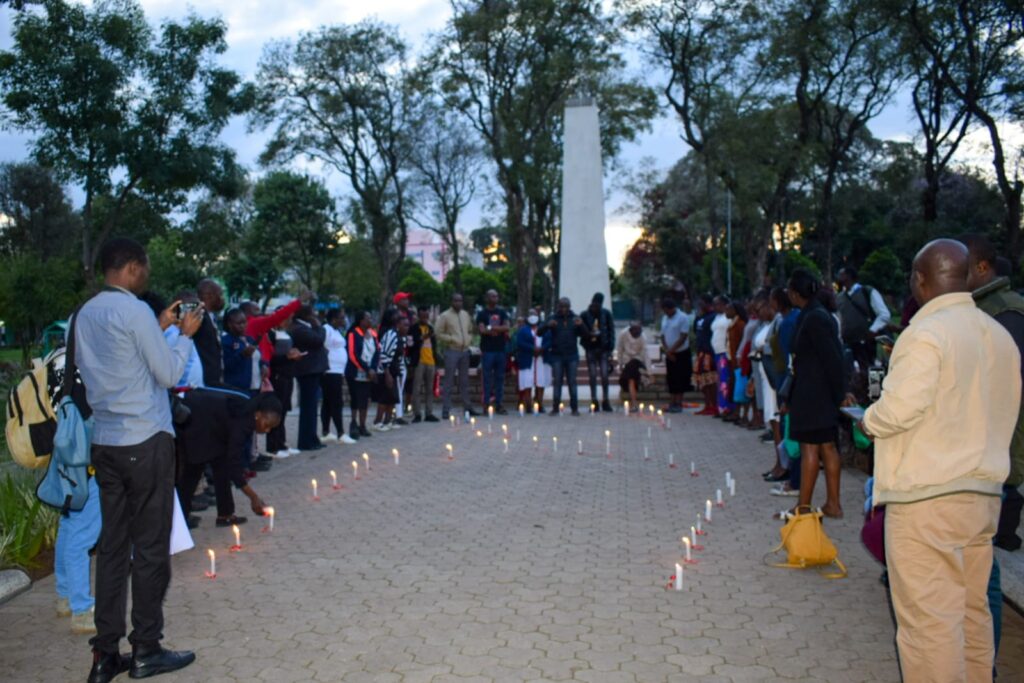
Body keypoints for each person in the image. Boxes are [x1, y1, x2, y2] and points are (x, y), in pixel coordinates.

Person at [862, 239, 1020, 683]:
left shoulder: (926, 333)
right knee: (972, 615)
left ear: (920, 279)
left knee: (929, 626)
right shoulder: (998, 335)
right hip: (983, 496)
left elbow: (898, 410)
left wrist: (869, 421)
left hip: (927, 500)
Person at [76, 238, 202, 682]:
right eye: (144, 266)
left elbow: (113, 363)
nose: (146, 274)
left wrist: (160, 324)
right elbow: (167, 373)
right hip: (145, 440)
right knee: (150, 550)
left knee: (111, 549)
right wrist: (183, 338)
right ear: (131, 267)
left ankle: (104, 654)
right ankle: (147, 647)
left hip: (106, 441)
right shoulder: (132, 311)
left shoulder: (86, 313)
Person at [961, 233, 1024, 551]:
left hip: (996, 438)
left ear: (982, 267)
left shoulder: (1005, 311)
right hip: (978, 439)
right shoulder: (978, 307)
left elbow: (1009, 381)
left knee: (988, 546)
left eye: (962, 270)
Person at [780, 270, 846, 518]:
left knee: (811, 448)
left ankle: (804, 506)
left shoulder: (814, 318)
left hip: (813, 393)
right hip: (820, 392)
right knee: (827, 447)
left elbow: (832, 358)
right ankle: (832, 503)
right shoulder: (818, 315)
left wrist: (840, 393)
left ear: (796, 294)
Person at [176, 390, 279, 527]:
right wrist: (253, 497)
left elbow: (231, 460)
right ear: (258, 415)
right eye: (267, 425)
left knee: (221, 465)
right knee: (193, 471)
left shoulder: (247, 413)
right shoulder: (243, 423)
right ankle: (179, 521)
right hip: (196, 423)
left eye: (271, 428)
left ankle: (225, 514)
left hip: (210, 426)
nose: (267, 431)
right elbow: (234, 464)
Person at [836, 265, 891, 387]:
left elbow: (884, 314)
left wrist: (872, 330)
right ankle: (859, 395)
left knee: (872, 367)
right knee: (853, 370)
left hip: (867, 340)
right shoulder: (839, 297)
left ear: (849, 276)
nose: (839, 277)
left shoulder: (867, 292)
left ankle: (875, 396)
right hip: (849, 340)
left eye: (842, 274)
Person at [290, 306, 328, 451]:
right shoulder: (299, 328)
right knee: (308, 408)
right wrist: (318, 325)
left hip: (314, 371)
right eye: (313, 313)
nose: (315, 315)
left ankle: (312, 437)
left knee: (312, 408)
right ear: (306, 315)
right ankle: (306, 441)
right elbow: (318, 340)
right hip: (307, 371)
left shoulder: (305, 327)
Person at [266, 313, 303, 458]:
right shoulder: (271, 334)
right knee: (276, 411)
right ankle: (273, 446)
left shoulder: (286, 333)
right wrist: (285, 357)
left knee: (284, 411)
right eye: (285, 318)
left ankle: (281, 443)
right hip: (277, 376)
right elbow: (270, 358)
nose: (288, 321)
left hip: (288, 375)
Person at [436, 293, 477, 420]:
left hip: (465, 351)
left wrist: (469, 339)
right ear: (451, 301)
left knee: (464, 381)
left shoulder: (465, 315)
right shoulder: (445, 316)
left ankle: (467, 407)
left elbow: (470, 330)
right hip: (452, 351)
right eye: (456, 300)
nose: (458, 303)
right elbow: (438, 332)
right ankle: (446, 410)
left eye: (460, 300)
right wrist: (452, 339)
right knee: (448, 381)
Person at [322, 308, 357, 443]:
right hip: (330, 371)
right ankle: (340, 432)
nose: (344, 320)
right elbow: (323, 348)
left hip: (337, 371)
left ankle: (326, 431)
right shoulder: (326, 329)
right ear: (334, 319)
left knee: (328, 401)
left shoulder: (336, 331)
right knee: (336, 402)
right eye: (342, 318)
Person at [546, 297, 584, 416]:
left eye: (566, 306)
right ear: (558, 306)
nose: (564, 309)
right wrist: (548, 325)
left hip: (572, 356)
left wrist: (581, 325)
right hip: (557, 356)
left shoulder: (575, 318)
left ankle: (574, 408)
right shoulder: (553, 318)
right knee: (557, 382)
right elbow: (539, 332)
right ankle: (555, 408)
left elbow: (586, 334)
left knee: (572, 381)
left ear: (569, 306)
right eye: (561, 306)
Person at [345, 311, 379, 439]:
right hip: (356, 372)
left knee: (365, 398)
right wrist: (366, 369)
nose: (370, 320)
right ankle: (353, 423)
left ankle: (363, 425)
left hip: (369, 372)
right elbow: (353, 354)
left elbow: (377, 352)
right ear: (361, 321)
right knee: (355, 398)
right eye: (368, 318)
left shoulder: (373, 334)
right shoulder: (353, 334)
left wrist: (373, 369)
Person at [476, 289, 511, 414]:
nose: (495, 298)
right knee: (486, 379)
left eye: (496, 296)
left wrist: (491, 328)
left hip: (500, 350)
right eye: (492, 296)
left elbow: (507, 327)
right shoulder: (482, 314)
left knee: (500, 378)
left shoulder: (502, 312)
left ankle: (499, 405)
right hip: (487, 350)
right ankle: (486, 405)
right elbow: (481, 330)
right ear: (487, 298)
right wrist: (497, 329)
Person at [580, 292, 615, 412]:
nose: (597, 307)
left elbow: (611, 331)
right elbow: (581, 331)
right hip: (591, 348)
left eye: (599, 305)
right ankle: (594, 400)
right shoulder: (585, 315)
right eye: (595, 304)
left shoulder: (606, 314)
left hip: (603, 349)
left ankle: (606, 400)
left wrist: (610, 348)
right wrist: (587, 338)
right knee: (593, 376)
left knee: (605, 376)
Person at [515, 308, 552, 411]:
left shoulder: (544, 328)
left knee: (541, 381)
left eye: (534, 314)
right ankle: (528, 405)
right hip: (527, 359)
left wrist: (542, 349)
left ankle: (539, 403)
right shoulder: (523, 330)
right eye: (530, 314)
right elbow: (520, 343)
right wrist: (532, 349)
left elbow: (549, 340)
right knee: (527, 382)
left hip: (541, 358)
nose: (533, 316)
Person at [373, 309, 404, 431]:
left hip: (393, 369)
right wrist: (387, 373)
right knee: (384, 397)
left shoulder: (395, 333)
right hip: (387, 370)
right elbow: (384, 353)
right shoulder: (390, 334)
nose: (399, 315)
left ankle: (388, 420)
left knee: (392, 397)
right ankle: (377, 422)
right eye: (397, 314)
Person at [660, 297, 690, 413]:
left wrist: (671, 350)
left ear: (672, 308)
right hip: (669, 353)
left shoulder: (682, 317)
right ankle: (672, 402)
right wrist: (667, 351)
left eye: (667, 310)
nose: (665, 313)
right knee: (671, 379)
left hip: (681, 353)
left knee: (680, 378)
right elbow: (662, 335)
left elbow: (683, 337)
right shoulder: (665, 318)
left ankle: (678, 403)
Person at [409, 307, 440, 423]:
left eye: (427, 316)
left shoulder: (430, 328)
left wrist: (436, 362)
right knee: (416, 389)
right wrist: (423, 337)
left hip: (430, 361)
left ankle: (429, 413)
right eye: (422, 316)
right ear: (418, 316)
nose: (425, 319)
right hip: (419, 362)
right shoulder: (414, 328)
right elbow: (411, 344)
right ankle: (417, 414)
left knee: (429, 389)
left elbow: (435, 346)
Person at [194, 278, 226, 387]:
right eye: (220, 295)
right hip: (204, 380)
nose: (222, 299)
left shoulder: (210, 317)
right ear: (210, 296)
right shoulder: (199, 317)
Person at [692, 295, 718, 415]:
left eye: (702, 303)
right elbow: (695, 331)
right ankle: (707, 405)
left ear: (708, 304)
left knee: (711, 381)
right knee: (702, 382)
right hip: (700, 353)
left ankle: (714, 405)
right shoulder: (699, 317)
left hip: (709, 353)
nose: (700, 306)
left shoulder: (713, 317)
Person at [616, 321, 650, 408]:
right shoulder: (623, 334)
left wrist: (649, 370)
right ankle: (634, 400)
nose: (638, 332)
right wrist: (620, 364)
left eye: (640, 330)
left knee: (631, 377)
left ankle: (634, 402)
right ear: (631, 329)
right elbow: (620, 349)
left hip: (638, 359)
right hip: (626, 360)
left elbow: (646, 353)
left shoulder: (643, 337)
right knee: (631, 376)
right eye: (636, 331)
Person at [723, 300, 747, 423]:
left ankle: (738, 412)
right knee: (732, 385)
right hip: (730, 358)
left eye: (729, 310)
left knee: (737, 386)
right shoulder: (732, 323)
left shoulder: (740, 324)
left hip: (737, 360)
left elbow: (742, 342)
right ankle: (734, 411)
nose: (726, 312)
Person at [710, 296, 733, 417]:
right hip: (717, 353)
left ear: (724, 305)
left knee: (725, 382)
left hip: (724, 353)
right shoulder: (717, 317)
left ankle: (726, 408)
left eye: (718, 304)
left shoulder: (727, 318)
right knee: (720, 382)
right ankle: (720, 407)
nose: (715, 307)